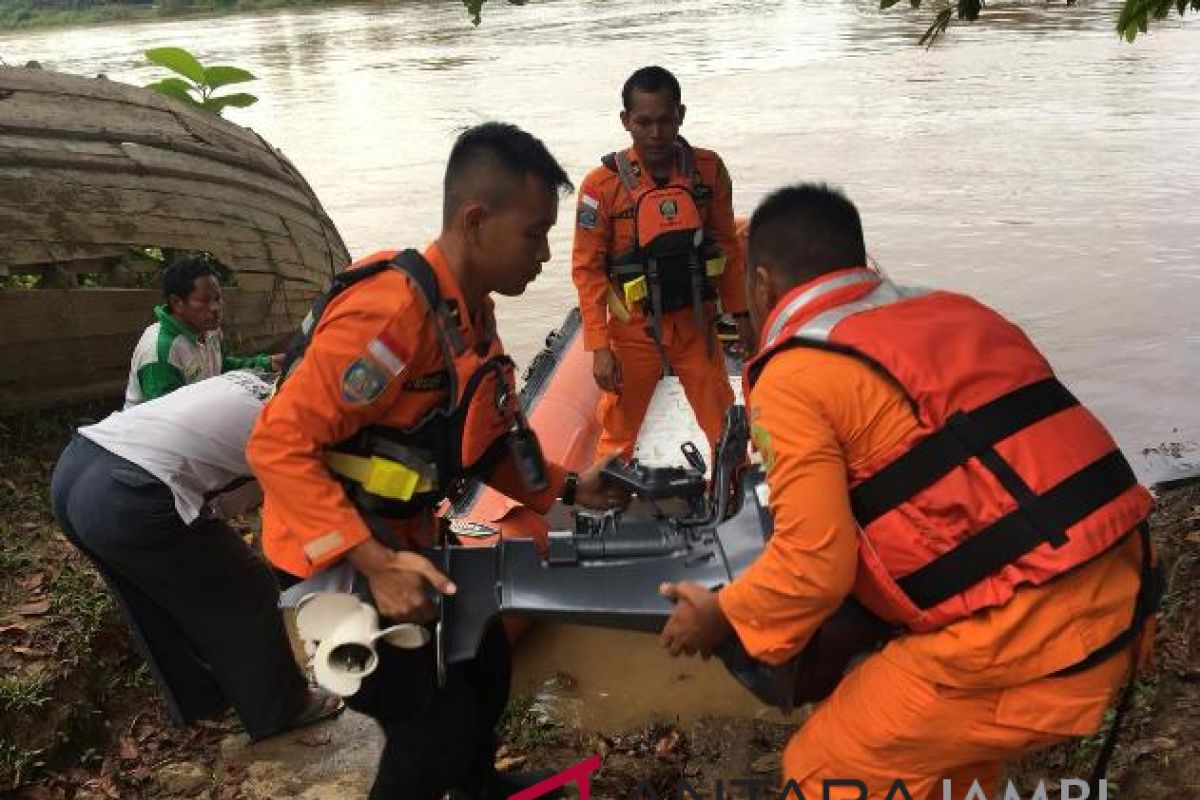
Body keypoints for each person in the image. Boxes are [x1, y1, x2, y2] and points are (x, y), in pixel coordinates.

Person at [659, 185, 1159, 799]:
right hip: (1129, 597)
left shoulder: (794, 376)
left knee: (823, 767)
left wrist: (719, 615)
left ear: (760, 286)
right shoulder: (962, 311)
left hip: (1032, 639)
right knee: (935, 760)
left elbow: (814, 567)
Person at [246, 122, 627, 800]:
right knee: (430, 726)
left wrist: (573, 486)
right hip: (333, 554)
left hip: (404, 537)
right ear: (476, 220)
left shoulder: (468, 314)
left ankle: (480, 789)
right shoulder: (389, 317)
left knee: (485, 662)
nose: (546, 253)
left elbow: (486, 442)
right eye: (535, 233)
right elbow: (276, 444)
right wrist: (377, 565)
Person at [49, 371, 343, 742]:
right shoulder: (297, 432)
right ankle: (280, 707)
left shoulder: (246, 383)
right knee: (248, 586)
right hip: (129, 494)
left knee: (152, 602)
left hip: (76, 467)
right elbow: (300, 530)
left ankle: (203, 701)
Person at [571, 65, 753, 461]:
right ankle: (606, 508)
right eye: (644, 122)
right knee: (619, 430)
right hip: (633, 328)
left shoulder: (709, 171)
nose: (656, 134)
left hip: (696, 325)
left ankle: (734, 501)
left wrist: (740, 313)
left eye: (666, 120)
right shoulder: (600, 187)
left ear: (681, 116)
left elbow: (725, 244)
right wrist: (599, 345)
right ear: (626, 121)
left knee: (723, 425)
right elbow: (587, 269)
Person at [124, 254, 281, 408]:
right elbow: (166, 416)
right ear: (177, 302)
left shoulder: (208, 329)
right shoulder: (160, 352)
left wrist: (267, 363)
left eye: (217, 298)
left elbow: (219, 365)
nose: (215, 308)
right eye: (205, 300)